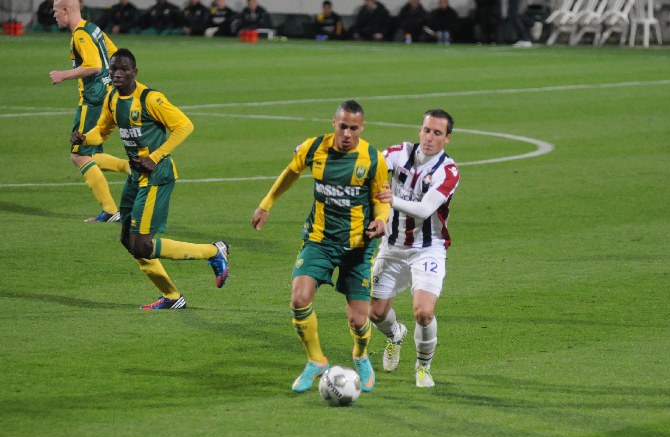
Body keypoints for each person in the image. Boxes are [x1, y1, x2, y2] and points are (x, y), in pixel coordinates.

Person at [70, 48, 230, 310]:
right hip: (136, 176)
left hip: (157, 176)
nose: (118, 74)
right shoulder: (112, 98)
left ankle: (213, 251)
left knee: (142, 244)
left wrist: (155, 157)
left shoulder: (150, 99)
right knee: (127, 240)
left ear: (135, 72)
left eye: (123, 69)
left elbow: (185, 126)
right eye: (114, 69)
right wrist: (85, 138)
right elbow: (102, 131)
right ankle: (171, 297)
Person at [250, 100, 389, 394]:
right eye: (343, 126)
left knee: (358, 319)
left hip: (357, 247)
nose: (347, 133)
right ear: (334, 123)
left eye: (354, 128)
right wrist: (266, 204)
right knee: (299, 298)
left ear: (361, 128)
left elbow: (381, 197)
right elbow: (290, 172)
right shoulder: (314, 148)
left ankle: (361, 355)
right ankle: (316, 360)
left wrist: (381, 220)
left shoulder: (373, 160)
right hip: (319, 240)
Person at [370, 109, 460, 388]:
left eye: (436, 133)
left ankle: (423, 367)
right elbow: (369, 167)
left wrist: (390, 200)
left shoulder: (448, 171)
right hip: (393, 245)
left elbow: (424, 209)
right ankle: (395, 335)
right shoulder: (398, 153)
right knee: (375, 313)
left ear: (447, 138)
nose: (429, 137)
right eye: (425, 130)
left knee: (423, 311)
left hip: (428, 248)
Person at [49, 0, 130, 223]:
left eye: (56, 11)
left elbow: (94, 65)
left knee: (79, 155)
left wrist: (63, 75)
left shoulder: (80, 35)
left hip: (93, 101)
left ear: (66, 10)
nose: (54, 15)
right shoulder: (93, 28)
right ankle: (133, 168)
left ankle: (111, 210)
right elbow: (116, 54)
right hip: (108, 96)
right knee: (92, 153)